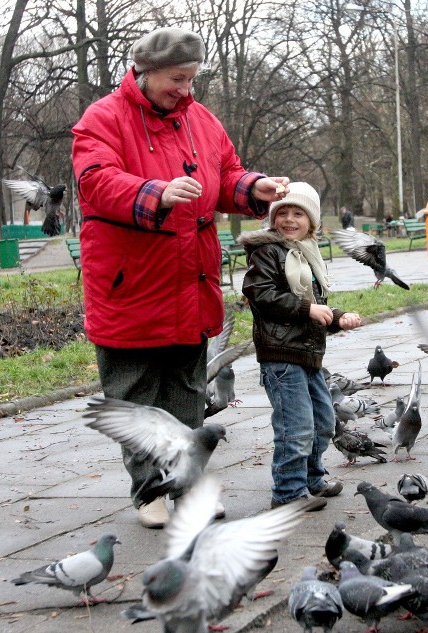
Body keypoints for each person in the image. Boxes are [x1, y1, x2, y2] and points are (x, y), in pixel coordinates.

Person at [71, 27, 291, 529]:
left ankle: (188, 489)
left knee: (188, 394)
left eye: (192, 79)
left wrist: (255, 187)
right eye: (177, 78)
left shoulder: (202, 120)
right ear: (145, 73)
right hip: (131, 285)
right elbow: (96, 181)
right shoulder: (102, 119)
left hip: (189, 285)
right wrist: (155, 193)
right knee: (134, 397)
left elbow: (226, 175)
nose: (187, 90)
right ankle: (149, 492)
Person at [239, 182, 361, 510]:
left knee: (323, 422)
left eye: (298, 213)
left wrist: (337, 317)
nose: (289, 219)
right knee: (296, 427)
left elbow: (312, 307)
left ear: (312, 222)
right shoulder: (267, 251)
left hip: (308, 356)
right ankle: (289, 494)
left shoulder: (306, 255)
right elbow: (260, 294)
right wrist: (309, 309)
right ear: (272, 218)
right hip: (281, 358)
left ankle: (312, 478)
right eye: (282, 213)